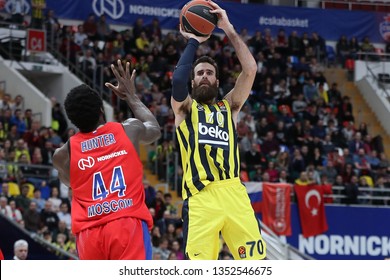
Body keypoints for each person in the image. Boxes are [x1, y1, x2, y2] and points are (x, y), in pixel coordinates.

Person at [171, 1, 266, 260]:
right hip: (201, 198)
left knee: (256, 266)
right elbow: (178, 81)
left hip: (234, 192)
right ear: (194, 81)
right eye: (199, 73)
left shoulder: (230, 107)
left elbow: (251, 70)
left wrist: (228, 28)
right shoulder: (185, 110)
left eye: (209, 73)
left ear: (217, 81)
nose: (204, 76)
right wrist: (193, 40)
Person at [52, 60, 161, 260]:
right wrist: (131, 96)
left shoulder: (62, 155)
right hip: (126, 224)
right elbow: (154, 130)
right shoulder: (129, 129)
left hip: (88, 233)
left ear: (72, 120)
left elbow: (72, 184)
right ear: (101, 111)